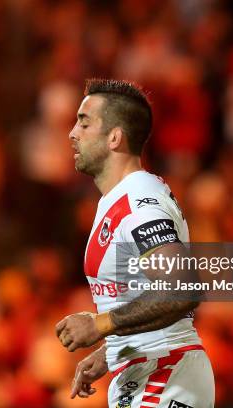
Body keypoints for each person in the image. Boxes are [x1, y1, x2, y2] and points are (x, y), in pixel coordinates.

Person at [56, 79, 214, 407]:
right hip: (145, 370)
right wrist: (112, 351)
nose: (73, 133)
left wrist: (100, 324)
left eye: (84, 122)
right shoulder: (118, 200)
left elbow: (181, 289)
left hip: (165, 371)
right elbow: (143, 295)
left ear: (115, 137)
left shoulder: (140, 200)